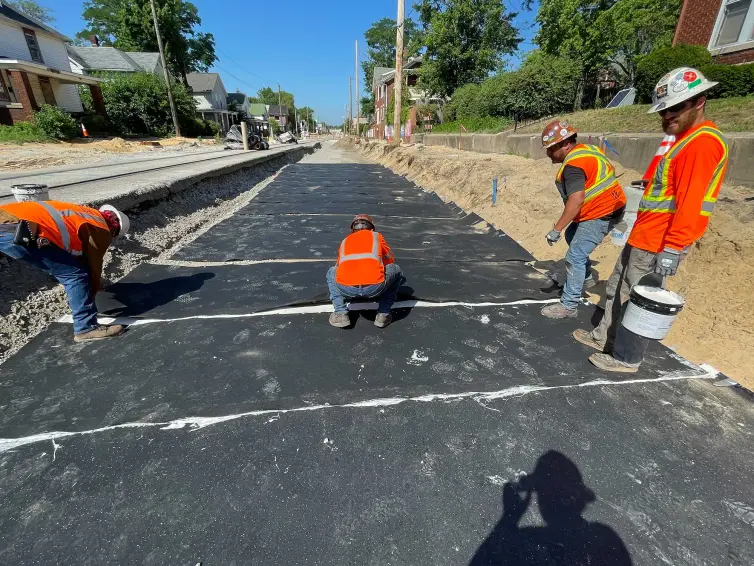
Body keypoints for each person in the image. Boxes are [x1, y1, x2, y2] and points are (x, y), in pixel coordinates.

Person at [573, 67, 728, 372]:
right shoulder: (683, 141)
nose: (668, 116)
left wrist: (672, 247)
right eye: (664, 110)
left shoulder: (702, 143)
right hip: (643, 235)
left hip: (660, 241)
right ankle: (604, 336)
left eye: (675, 108)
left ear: (699, 101)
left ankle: (626, 357)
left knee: (638, 299)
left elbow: (690, 202)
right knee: (617, 287)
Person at [0, 200, 130, 342]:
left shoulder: (84, 212)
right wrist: (92, 291)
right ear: (115, 229)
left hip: (8, 220)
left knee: (73, 269)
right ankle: (86, 328)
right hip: (17, 231)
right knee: (76, 275)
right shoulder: (101, 229)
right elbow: (93, 267)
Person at [539, 120, 627, 319]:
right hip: (612, 204)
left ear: (566, 144)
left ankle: (569, 305)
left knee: (574, 256)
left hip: (601, 212)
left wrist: (556, 229)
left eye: (551, 149)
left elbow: (576, 200)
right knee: (573, 234)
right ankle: (586, 278)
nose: (548, 154)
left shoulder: (573, 166)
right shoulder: (589, 151)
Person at [326, 214, 405, 328]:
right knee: (396, 269)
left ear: (353, 229)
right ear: (371, 228)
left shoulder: (345, 240)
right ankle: (383, 314)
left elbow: (338, 265)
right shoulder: (376, 236)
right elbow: (389, 259)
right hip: (374, 288)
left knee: (332, 271)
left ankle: (340, 313)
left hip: (346, 289)